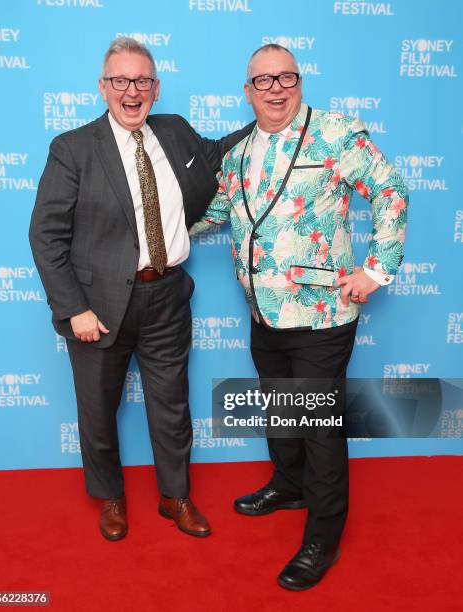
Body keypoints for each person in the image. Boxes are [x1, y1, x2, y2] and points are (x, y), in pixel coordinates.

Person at [191, 44, 408, 589]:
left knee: (318, 427)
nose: (275, 88)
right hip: (263, 311)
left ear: (299, 80)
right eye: (262, 81)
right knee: (281, 412)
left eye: (285, 76)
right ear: (248, 91)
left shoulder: (335, 132)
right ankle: (289, 485)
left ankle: (323, 536)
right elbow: (214, 213)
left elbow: (391, 190)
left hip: (322, 314)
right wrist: (151, 237)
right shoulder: (238, 152)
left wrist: (376, 271)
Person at [29, 37, 250, 542]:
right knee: (98, 410)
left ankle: (175, 497)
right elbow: (46, 235)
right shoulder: (73, 148)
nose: (133, 91)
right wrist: (74, 308)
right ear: (104, 88)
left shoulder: (173, 132)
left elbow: (218, 156)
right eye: (121, 81)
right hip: (98, 305)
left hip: (167, 296)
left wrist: (267, 117)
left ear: (156, 88)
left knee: (171, 405)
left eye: (143, 81)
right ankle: (111, 498)